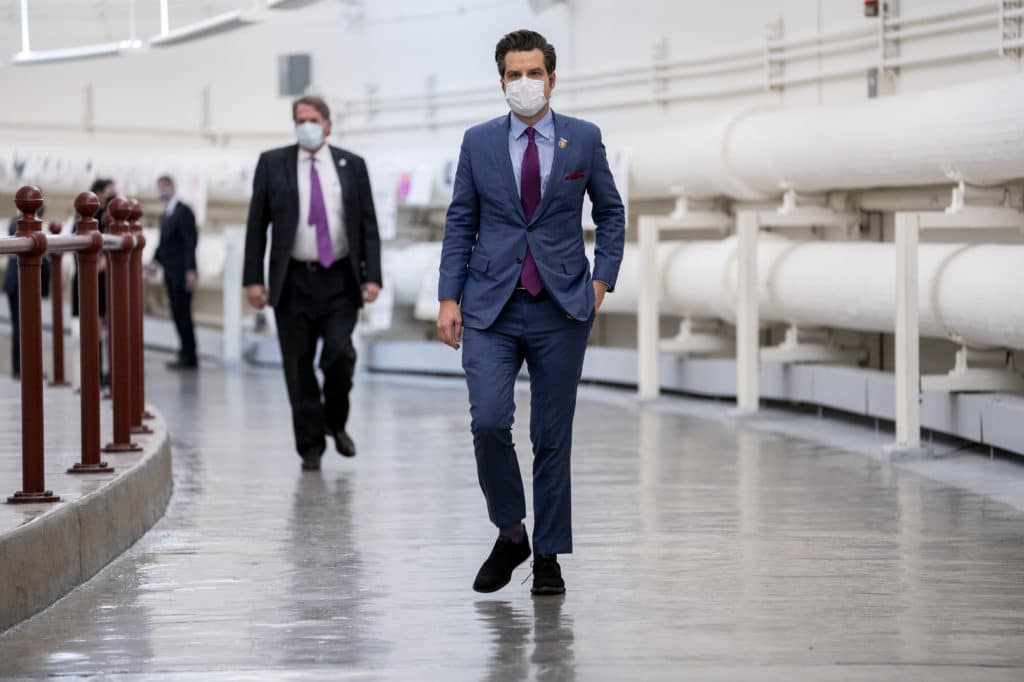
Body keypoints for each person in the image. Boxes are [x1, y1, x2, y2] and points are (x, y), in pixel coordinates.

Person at [437, 29, 625, 596]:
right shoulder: (478, 143)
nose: (525, 83)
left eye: (534, 73)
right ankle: (512, 532)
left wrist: (601, 282)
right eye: (514, 74)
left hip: (562, 306)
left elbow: (611, 214)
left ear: (552, 78)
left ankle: (548, 556)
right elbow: (460, 221)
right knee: (490, 420)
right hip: (490, 304)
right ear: (501, 81)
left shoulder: (583, 140)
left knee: (551, 434)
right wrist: (448, 297)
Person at [243, 95, 382, 471]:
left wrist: (373, 277)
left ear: (328, 124)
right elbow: (257, 226)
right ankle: (310, 447)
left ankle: (334, 422)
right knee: (298, 365)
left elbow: (368, 225)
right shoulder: (273, 164)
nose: (306, 125)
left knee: (340, 354)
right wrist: (253, 280)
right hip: (293, 280)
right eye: (299, 119)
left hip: (340, 278)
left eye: (313, 118)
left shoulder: (352, 166)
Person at [72, 177, 116, 387]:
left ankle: (104, 373)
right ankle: (95, 374)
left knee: (105, 328)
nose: (111, 195)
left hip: (104, 280)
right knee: (93, 327)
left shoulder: (110, 216)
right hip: (93, 279)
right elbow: (77, 247)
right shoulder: (88, 218)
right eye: (108, 191)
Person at [152, 175, 199, 370]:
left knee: (183, 313)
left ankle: (190, 355)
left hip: (181, 272)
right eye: (159, 187)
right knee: (177, 312)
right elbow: (163, 245)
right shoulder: (166, 214)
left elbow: (190, 242)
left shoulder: (183, 211)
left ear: (173, 187)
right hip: (170, 272)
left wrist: (190, 269)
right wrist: (153, 263)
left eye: (165, 186)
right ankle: (184, 352)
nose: (162, 191)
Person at [4, 206, 50, 379]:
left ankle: (24, 368)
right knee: (21, 326)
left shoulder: (15, 223)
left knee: (23, 326)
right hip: (18, 282)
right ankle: (21, 369)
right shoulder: (18, 225)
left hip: (17, 282)